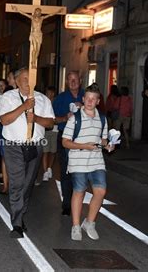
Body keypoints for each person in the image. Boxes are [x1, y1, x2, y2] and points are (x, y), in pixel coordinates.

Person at [0, 67, 55, 238]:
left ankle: (20, 215)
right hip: (13, 146)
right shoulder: (9, 97)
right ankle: (16, 224)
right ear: (16, 80)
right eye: (24, 78)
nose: (27, 82)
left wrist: (35, 118)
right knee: (17, 183)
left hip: (35, 146)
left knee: (27, 184)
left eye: (30, 78)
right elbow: (4, 120)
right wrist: (24, 106)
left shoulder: (43, 99)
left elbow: (50, 123)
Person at [61, 84, 114, 241]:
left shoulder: (102, 119)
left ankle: (89, 223)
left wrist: (108, 144)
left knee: (100, 192)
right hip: (78, 161)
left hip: (97, 161)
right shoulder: (74, 119)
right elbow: (65, 142)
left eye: (94, 99)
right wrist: (83, 146)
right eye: (88, 98)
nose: (90, 101)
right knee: (79, 191)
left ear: (98, 101)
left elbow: (103, 139)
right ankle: (76, 226)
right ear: (83, 99)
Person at [52, 71, 85, 216]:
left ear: (80, 80)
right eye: (70, 80)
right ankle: (67, 204)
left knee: (80, 172)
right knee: (66, 171)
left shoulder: (88, 96)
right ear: (66, 82)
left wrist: (84, 108)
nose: (73, 82)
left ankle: (76, 201)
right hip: (65, 137)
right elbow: (52, 120)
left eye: (75, 79)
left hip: (83, 138)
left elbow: (98, 114)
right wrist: (66, 117)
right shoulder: (60, 99)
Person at [40, 86, 57, 183]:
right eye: (47, 92)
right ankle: (45, 171)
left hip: (55, 129)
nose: (49, 95)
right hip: (45, 129)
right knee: (45, 151)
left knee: (53, 151)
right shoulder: (43, 102)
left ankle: (50, 168)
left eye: (51, 93)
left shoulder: (56, 102)